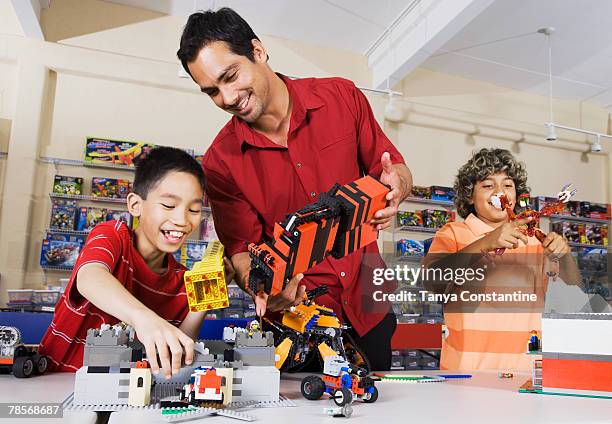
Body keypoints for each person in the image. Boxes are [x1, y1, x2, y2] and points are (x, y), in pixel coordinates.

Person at [177, 7, 413, 370]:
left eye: (230, 76)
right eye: (211, 91)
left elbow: (393, 166)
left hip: (371, 308)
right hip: (297, 326)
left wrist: (398, 184)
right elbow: (241, 251)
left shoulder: (342, 97)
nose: (226, 97)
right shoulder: (221, 163)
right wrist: (260, 289)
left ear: (258, 51)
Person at [39, 147, 229, 378]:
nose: (182, 220)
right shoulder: (112, 235)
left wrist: (206, 300)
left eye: (194, 209)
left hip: (125, 398)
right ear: (135, 205)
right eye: (169, 206)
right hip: (55, 385)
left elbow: (175, 354)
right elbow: (89, 277)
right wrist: (144, 319)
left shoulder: (182, 281)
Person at [423, 148, 581, 370]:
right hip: (466, 372)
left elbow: (573, 298)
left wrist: (565, 257)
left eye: (508, 185)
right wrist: (486, 243)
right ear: (470, 195)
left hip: (526, 372)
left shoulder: (535, 240)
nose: (500, 192)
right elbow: (432, 282)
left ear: (517, 195)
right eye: (488, 185)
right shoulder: (453, 233)